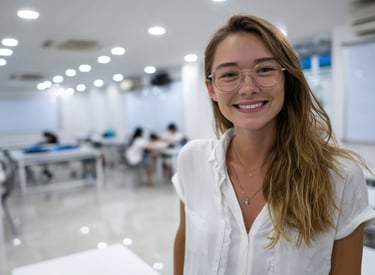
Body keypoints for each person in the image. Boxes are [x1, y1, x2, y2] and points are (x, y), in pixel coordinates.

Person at [172, 15, 375, 275]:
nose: (247, 88)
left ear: (287, 77)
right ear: (211, 89)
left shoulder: (339, 175)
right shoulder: (192, 160)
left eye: (264, 69)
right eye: (230, 74)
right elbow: (184, 241)